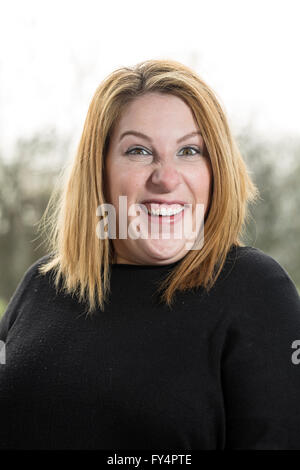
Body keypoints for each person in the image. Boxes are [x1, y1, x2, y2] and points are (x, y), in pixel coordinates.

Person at [0, 58, 300, 450]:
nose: (166, 177)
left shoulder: (255, 291)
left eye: (190, 151)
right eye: (139, 150)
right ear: (100, 169)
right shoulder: (42, 285)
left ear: (217, 171)